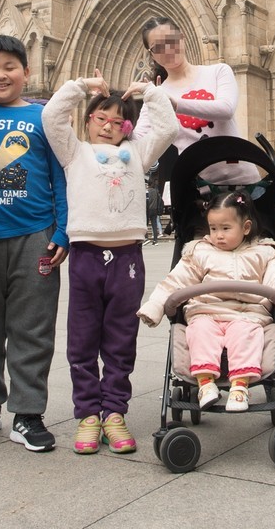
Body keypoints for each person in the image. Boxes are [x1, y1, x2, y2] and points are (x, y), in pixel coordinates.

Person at [42, 70, 177, 455]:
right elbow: (52, 116)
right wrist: (82, 87)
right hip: (85, 255)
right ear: (87, 120)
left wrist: (150, 92)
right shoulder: (73, 151)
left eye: (117, 121)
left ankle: (114, 412)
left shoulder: (137, 151)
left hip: (127, 258)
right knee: (82, 340)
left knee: (121, 340)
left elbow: (167, 129)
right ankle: (87, 414)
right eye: (101, 119)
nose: (108, 127)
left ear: (126, 127)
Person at [0, 35, 69, 452]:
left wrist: (63, 232)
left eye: (10, 66)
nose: (0, 74)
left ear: (26, 71)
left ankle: (28, 413)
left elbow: (61, 177)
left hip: (35, 237)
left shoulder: (45, 117)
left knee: (33, 328)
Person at [137, 191, 275, 410]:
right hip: (206, 311)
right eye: (213, 228)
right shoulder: (199, 252)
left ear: (245, 228)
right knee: (199, 332)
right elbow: (176, 280)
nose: (218, 235)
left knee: (245, 334)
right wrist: (155, 305)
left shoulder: (264, 254)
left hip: (247, 314)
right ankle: (205, 383)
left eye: (226, 228)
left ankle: (240, 386)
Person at [134, 16, 260, 185]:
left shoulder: (218, 71)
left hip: (243, 179)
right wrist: (115, 112)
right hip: (198, 188)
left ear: (182, 37)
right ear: (152, 55)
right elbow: (138, 140)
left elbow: (226, 109)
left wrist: (175, 104)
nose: (168, 49)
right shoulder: (157, 95)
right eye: (158, 47)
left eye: (171, 40)